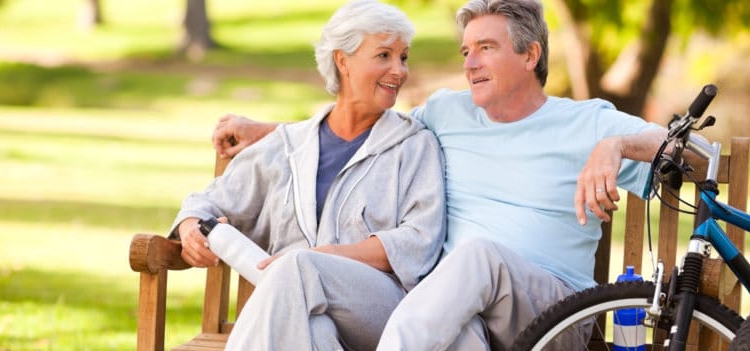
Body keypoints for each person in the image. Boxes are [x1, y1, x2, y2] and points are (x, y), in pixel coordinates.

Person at [212, 0, 680, 349]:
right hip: (450, 314)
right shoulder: (446, 112)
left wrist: (615, 146)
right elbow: (364, 123)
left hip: (550, 317)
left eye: (486, 48)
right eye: (466, 51)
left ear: (530, 55)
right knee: (308, 288)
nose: (470, 63)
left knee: (479, 257)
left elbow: (689, 152)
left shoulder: (589, 122)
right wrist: (271, 132)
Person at [170, 1, 447, 350]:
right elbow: (206, 202)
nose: (399, 70)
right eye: (384, 56)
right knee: (313, 331)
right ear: (342, 60)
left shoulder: (414, 145)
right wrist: (190, 225)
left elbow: (418, 241)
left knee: (299, 265)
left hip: (384, 315)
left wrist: (323, 255)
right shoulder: (287, 147)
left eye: (403, 57)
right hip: (299, 315)